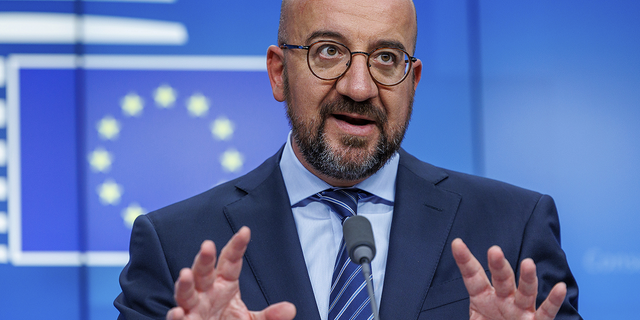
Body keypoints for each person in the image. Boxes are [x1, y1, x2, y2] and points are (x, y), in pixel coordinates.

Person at [115, 0, 581, 319]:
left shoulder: (513, 228)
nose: (358, 88)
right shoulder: (175, 245)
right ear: (279, 73)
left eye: (385, 57)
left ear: (412, 79)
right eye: (329, 52)